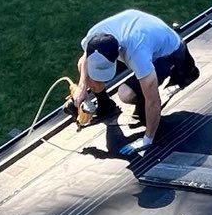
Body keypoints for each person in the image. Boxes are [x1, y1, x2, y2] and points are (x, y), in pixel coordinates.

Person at [68, 9, 196, 155]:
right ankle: (106, 106)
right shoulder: (94, 36)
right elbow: (86, 58)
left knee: (126, 94)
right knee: (82, 66)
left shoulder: (137, 52)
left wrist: (147, 140)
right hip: (139, 33)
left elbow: (153, 101)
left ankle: (184, 72)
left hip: (168, 54)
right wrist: (82, 88)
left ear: (119, 52)